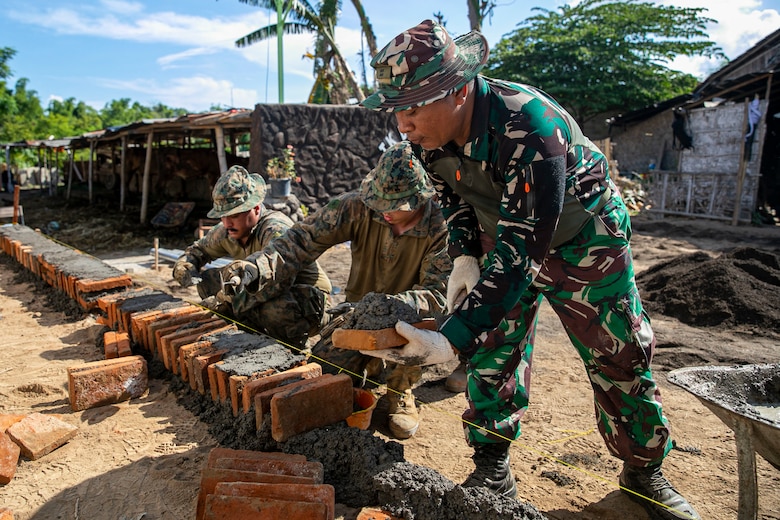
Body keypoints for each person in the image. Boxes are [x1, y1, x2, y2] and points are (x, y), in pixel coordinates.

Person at [358, 19, 700, 520]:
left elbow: (525, 249)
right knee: (495, 353)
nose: (402, 125)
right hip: (507, 234)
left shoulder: (528, 126)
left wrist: (452, 335)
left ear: (456, 91)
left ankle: (644, 469)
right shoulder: (423, 139)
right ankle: (492, 464)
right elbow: (453, 194)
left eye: (411, 107)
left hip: (583, 240)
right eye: (395, 111)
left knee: (619, 353)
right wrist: (465, 254)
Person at [218, 141, 452, 440]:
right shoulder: (356, 206)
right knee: (322, 379)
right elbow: (300, 240)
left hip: (410, 322)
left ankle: (399, 389)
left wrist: (383, 308)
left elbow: (438, 295)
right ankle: (361, 375)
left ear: (420, 199)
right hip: (352, 318)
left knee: (412, 344)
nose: (385, 212)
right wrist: (257, 267)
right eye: (379, 202)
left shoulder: (443, 226)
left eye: (395, 205)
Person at [172, 165, 332, 348]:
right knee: (209, 281)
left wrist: (224, 300)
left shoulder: (276, 229)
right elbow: (198, 250)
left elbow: (279, 282)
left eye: (234, 215)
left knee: (273, 308)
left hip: (310, 301)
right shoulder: (228, 229)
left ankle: (292, 349)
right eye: (223, 215)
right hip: (268, 293)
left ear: (255, 209)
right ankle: (248, 336)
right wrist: (186, 263)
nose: (227, 222)